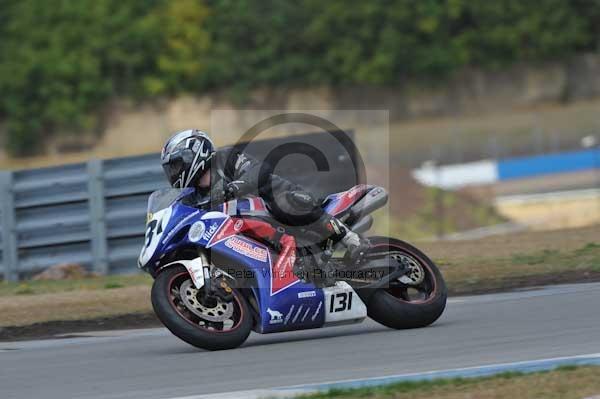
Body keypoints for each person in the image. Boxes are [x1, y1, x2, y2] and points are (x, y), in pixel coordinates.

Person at [160, 129, 369, 264]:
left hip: (275, 203)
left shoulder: (225, 158)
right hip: (248, 231)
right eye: (171, 169)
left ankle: (350, 239)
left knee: (285, 204)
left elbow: (259, 169)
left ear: (194, 154)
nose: (174, 172)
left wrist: (234, 187)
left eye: (177, 165)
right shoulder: (194, 195)